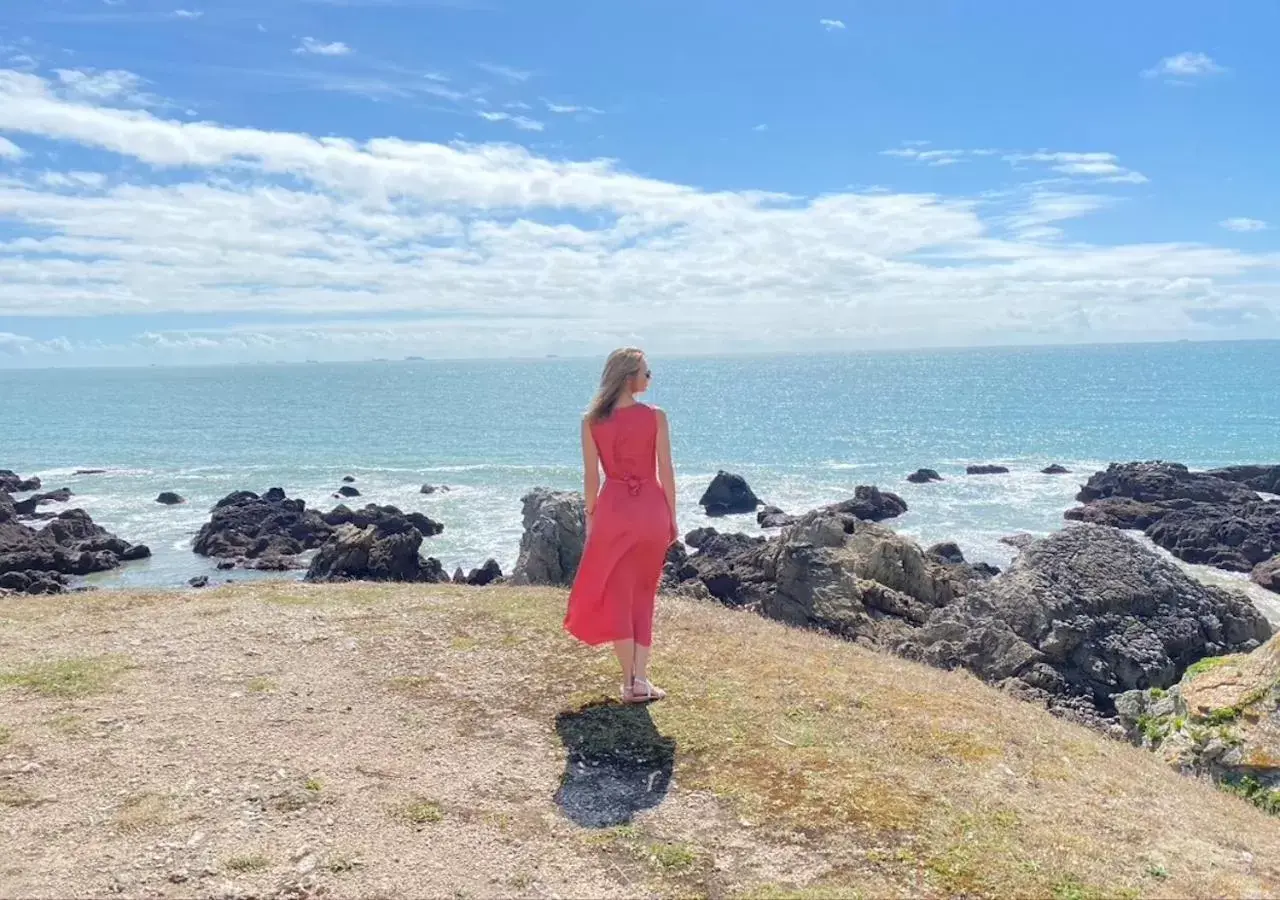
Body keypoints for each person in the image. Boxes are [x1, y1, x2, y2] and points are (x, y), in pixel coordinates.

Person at [564, 347, 678, 703]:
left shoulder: (591, 421)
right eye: (646, 372)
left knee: (618, 596)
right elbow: (666, 471)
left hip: (613, 512)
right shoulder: (655, 416)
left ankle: (629, 681)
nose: (649, 377)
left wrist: (591, 519)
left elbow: (590, 479)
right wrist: (672, 517)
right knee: (644, 595)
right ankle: (639, 681)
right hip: (651, 511)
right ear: (630, 377)